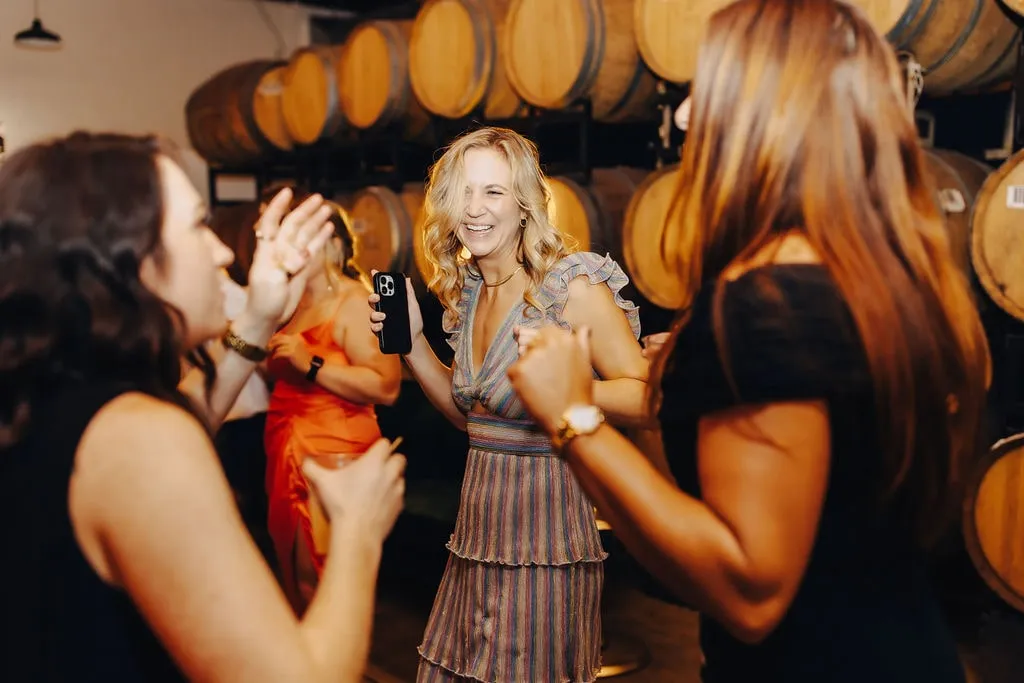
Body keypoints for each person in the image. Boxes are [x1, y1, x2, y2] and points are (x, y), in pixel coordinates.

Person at [508, 1, 990, 681]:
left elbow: (750, 589)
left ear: (773, 114)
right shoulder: (882, 275)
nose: (682, 116)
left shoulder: (769, 305)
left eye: (709, 88)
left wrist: (572, 417)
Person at [0, 132, 406, 682]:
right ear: (134, 263)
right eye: (197, 226)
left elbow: (191, 408)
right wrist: (357, 528)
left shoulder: (48, 396)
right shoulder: (140, 437)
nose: (221, 251)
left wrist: (261, 317)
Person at [369, 126, 649, 682]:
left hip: (545, 540)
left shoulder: (570, 286)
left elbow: (647, 396)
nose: (474, 210)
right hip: (476, 538)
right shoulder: (469, 290)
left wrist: (564, 386)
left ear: (525, 204)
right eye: (463, 192)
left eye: (493, 192)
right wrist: (413, 344)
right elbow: (473, 420)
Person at [262, 187, 402, 612]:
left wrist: (312, 363)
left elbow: (386, 387)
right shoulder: (289, 301)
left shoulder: (356, 300)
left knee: (321, 581)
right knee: (294, 581)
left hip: (333, 453)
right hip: (286, 447)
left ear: (331, 244)